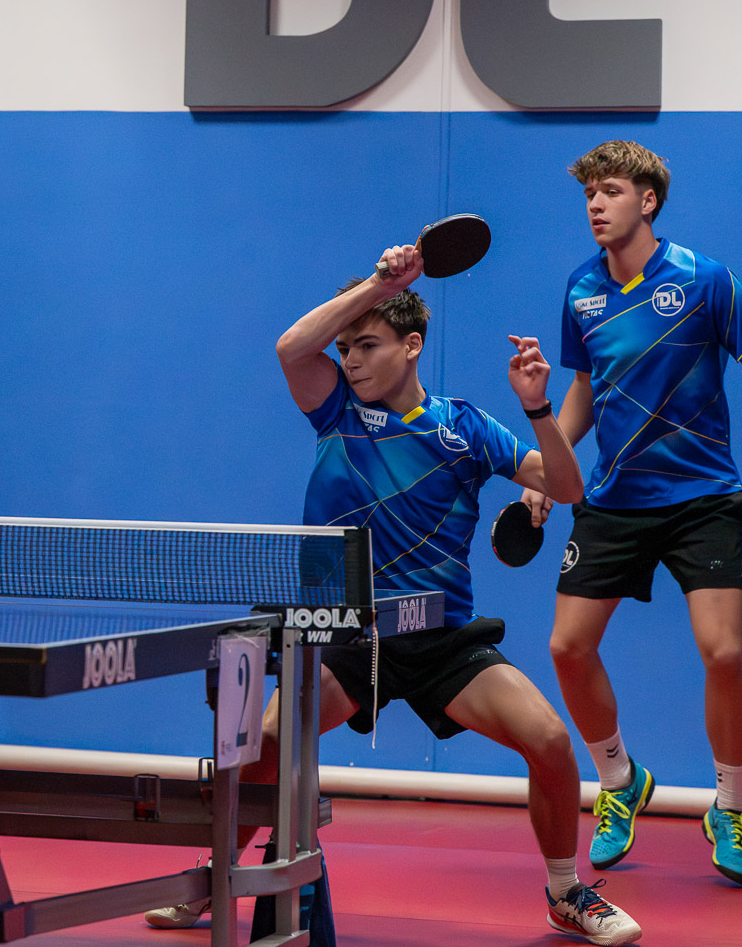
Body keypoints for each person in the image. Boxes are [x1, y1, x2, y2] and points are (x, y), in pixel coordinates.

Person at [148, 246, 641, 946]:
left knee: (551, 743)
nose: (350, 360)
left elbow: (565, 486)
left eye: (368, 346)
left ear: (411, 346)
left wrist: (536, 408)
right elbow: (292, 348)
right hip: (345, 635)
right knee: (262, 743)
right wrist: (380, 286)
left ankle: (565, 893)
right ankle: (216, 871)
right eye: (346, 348)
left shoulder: (465, 428)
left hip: (441, 637)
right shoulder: (336, 411)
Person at [521, 140, 742, 888]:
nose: (596, 205)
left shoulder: (704, 279)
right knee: (567, 648)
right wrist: (549, 468)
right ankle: (620, 781)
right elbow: (585, 390)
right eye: (588, 194)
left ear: (648, 199)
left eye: (610, 191)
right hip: (612, 498)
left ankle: (729, 806)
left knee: (722, 653)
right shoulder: (581, 289)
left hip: (702, 498)